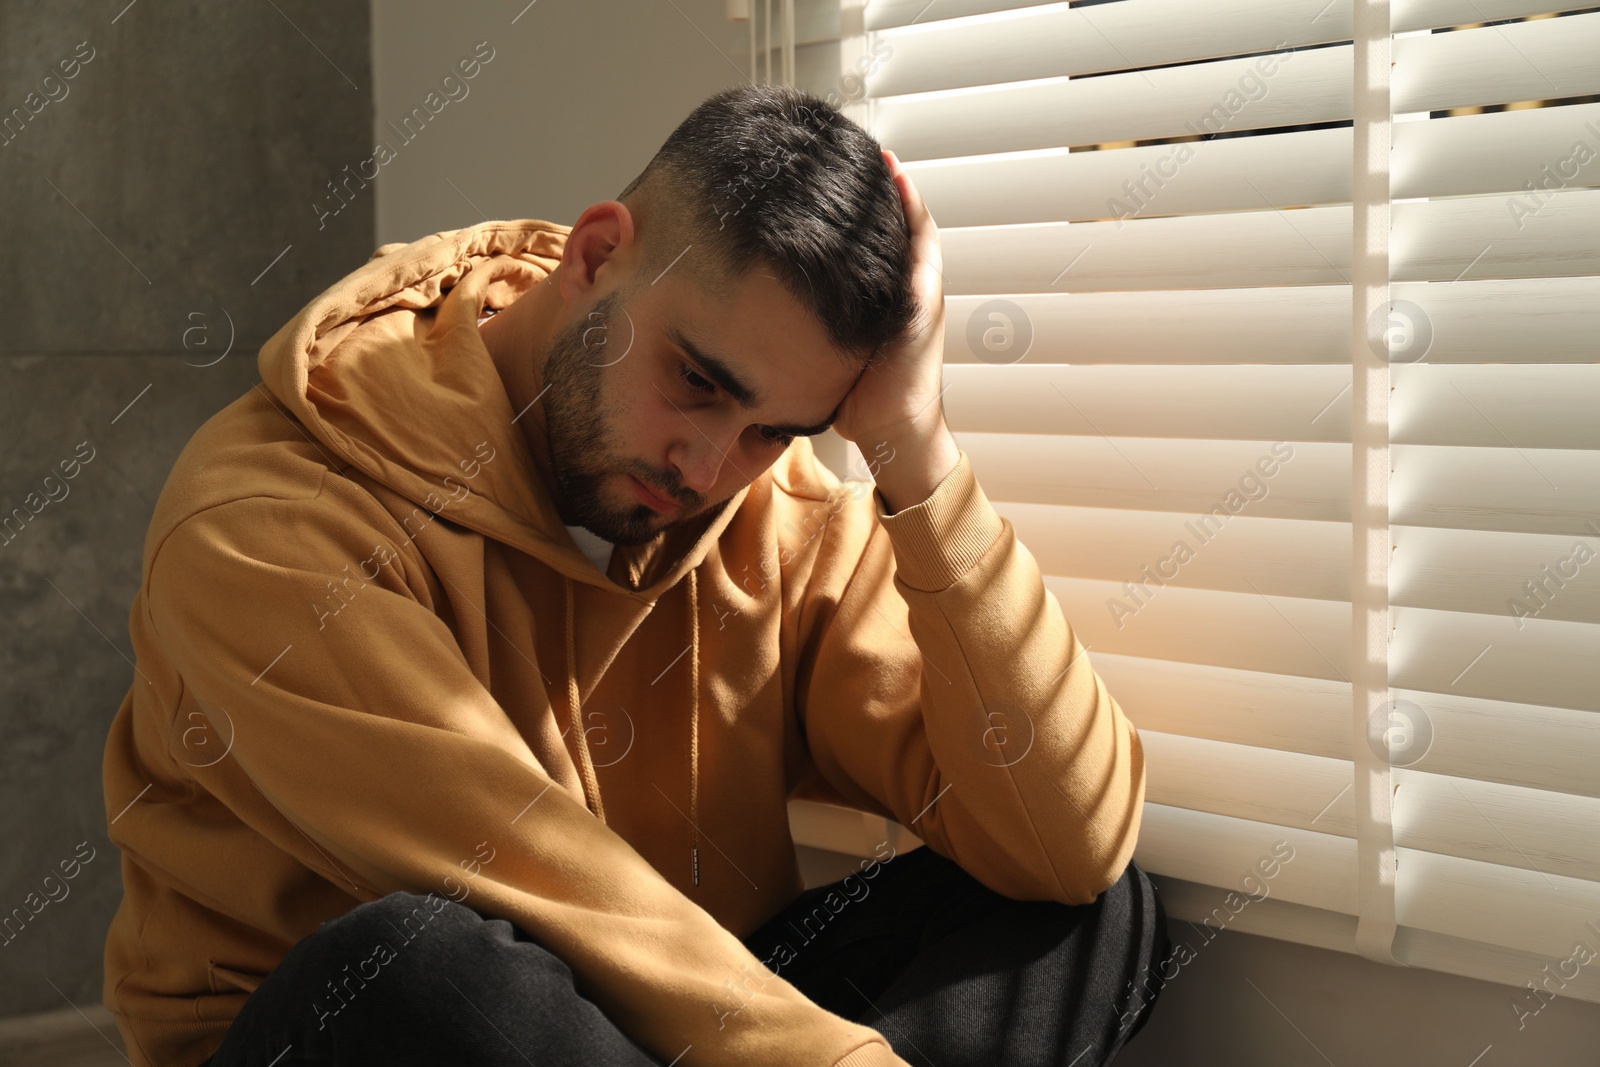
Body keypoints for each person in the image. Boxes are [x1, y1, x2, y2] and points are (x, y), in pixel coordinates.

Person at [101, 84, 1168, 1067]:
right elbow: (535, 878)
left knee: (1083, 891)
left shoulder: (765, 500)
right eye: (697, 381)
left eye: (774, 429)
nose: (708, 467)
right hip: (377, 1032)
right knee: (417, 963)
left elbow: (1063, 841)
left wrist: (911, 448)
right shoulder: (265, 524)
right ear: (599, 252)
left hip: (655, 1029)